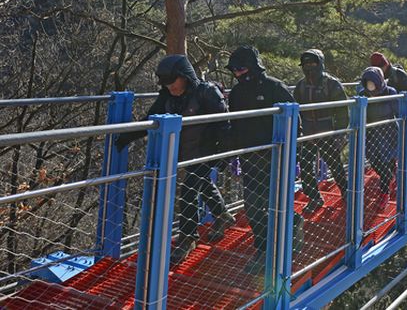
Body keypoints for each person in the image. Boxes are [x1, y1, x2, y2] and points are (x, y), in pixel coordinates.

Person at [115, 54, 234, 265]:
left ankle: (188, 238)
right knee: (202, 183)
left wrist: (225, 155)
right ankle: (222, 215)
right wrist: (126, 136)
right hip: (184, 152)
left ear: (185, 76)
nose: (170, 86)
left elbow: (225, 124)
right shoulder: (167, 97)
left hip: (206, 151)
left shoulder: (206, 92)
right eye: (165, 83)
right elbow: (150, 121)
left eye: (172, 81)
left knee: (189, 191)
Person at [225, 45, 304, 274]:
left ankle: (288, 233)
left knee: (276, 204)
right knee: (252, 207)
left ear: (252, 66)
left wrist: (293, 154)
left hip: (276, 158)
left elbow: (294, 121)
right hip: (250, 159)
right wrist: (230, 153)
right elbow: (235, 125)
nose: (237, 73)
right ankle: (263, 248)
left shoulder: (274, 87)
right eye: (234, 70)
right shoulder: (237, 93)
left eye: (240, 68)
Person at [293, 49, 349, 214]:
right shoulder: (301, 86)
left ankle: (346, 191)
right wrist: (298, 133)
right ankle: (314, 197)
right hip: (309, 132)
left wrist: (339, 134)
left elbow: (342, 112)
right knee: (305, 164)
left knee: (334, 164)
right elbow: (296, 111)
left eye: (313, 63)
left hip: (328, 132)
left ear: (320, 64)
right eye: (306, 64)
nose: (309, 67)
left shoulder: (331, 84)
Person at [369, 52, 407, 176]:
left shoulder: (399, 75)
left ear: (386, 64)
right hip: (392, 113)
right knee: (389, 140)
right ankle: (393, 170)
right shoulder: (376, 75)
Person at [357, 66, 399, 209]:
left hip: (388, 133)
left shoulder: (390, 92)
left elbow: (399, 112)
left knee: (389, 163)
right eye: (368, 82)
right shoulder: (363, 94)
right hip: (371, 135)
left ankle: (384, 194)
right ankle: (392, 179)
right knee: (377, 164)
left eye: (373, 82)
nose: (371, 86)